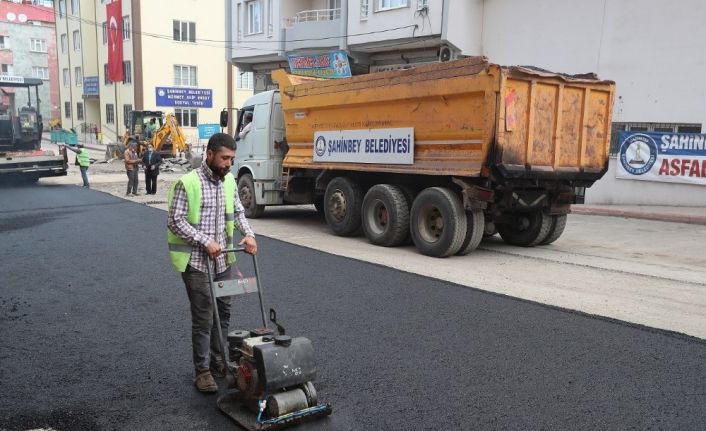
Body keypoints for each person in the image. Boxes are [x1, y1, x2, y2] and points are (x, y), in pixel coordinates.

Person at [167, 133, 257, 393]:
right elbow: (176, 221)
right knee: (204, 317)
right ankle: (202, 371)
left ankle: (220, 361)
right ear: (209, 154)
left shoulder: (228, 181)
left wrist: (248, 234)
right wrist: (204, 240)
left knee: (224, 313)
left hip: (223, 262)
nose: (229, 163)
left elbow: (238, 211)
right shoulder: (189, 183)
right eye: (224, 158)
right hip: (197, 263)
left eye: (232, 158)